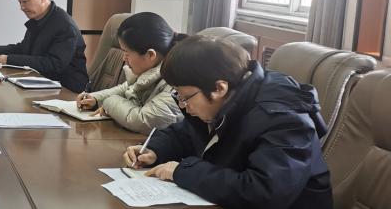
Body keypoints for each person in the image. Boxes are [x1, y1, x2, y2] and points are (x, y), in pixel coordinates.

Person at [122, 36, 332, 208]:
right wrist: (155, 148)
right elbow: (188, 132)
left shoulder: (283, 117)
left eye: (186, 97)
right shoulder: (231, 96)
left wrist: (182, 171)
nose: (184, 105)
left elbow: (263, 192)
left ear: (219, 88)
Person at [74, 12, 183, 134]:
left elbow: (142, 120)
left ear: (150, 55)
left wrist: (108, 103)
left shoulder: (177, 81)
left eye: (126, 53)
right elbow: (128, 88)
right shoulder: (153, 68)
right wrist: (95, 99)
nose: (123, 58)